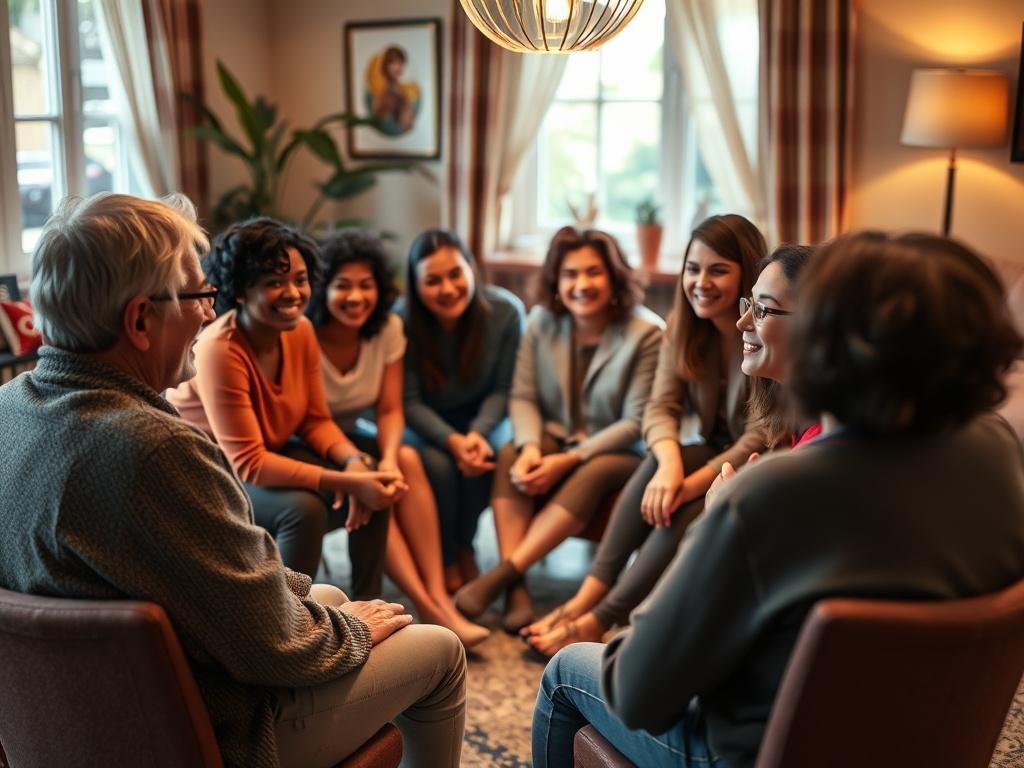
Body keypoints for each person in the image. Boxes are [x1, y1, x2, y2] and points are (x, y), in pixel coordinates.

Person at [0, 193, 466, 768]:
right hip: (190, 734)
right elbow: (273, 646)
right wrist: (351, 633)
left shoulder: (8, 408)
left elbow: (224, 585)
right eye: (199, 295)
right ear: (140, 320)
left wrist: (320, 610)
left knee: (330, 596)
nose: (206, 313)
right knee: (440, 651)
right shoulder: (153, 449)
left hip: (67, 722)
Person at [532, 231, 1024, 768]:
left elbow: (636, 691)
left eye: (768, 311)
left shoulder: (774, 491)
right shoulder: (997, 452)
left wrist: (713, 524)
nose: (747, 323)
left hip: (766, 753)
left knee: (566, 671)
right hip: (925, 745)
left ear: (828, 342)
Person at [523, 214, 767, 654]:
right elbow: (661, 408)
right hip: (711, 452)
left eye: (718, 270)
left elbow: (760, 435)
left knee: (684, 498)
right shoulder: (683, 325)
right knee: (661, 459)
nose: (701, 282)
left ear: (746, 274)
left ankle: (600, 617)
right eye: (693, 269)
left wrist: (684, 484)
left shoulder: (763, 332)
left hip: (759, 465)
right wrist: (671, 466)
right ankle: (585, 601)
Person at [168, 218, 403, 593]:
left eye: (300, 279)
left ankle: (368, 602)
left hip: (266, 455)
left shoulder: (300, 330)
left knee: (375, 473)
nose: (293, 293)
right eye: (274, 282)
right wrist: (348, 481)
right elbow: (248, 462)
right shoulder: (220, 349)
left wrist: (355, 464)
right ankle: (292, 621)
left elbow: (314, 420)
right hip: (211, 475)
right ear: (242, 291)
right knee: (304, 510)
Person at [454, 227, 663, 633]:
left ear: (614, 276)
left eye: (593, 273)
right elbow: (523, 397)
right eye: (570, 274)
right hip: (555, 434)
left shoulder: (647, 333)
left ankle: (502, 574)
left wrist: (567, 459)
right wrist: (532, 446)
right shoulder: (542, 321)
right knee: (514, 452)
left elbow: (635, 421)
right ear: (556, 279)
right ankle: (517, 591)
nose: (581, 285)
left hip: (620, 450)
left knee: (593, 470)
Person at [308, 229, 489, 647]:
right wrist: (361, 464)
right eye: (343, 286)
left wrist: (386, 457)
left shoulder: (387, 327)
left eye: (366, 285)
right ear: (324, 288)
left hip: (354, 436)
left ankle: (437, 598)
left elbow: (390, 409)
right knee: (375, 478)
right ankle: (429, 606)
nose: (356, 297)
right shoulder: (305, 332)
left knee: (404, 460)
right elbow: (311, 418)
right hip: (312, 441)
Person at [399, 228, 526, 593]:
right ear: (416, 284)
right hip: (424, 419)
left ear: (472, 269)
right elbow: (408, 402)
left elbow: (505, 389)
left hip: (484, 416)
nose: (448, 288)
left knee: (491, 457)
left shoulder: (506, 312)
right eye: (433, 280)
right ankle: (447, 555)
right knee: (438, 466)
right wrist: (452, 440)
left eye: (456, 274)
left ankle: (464, 543)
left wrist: (476, 434)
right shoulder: (400, 320)